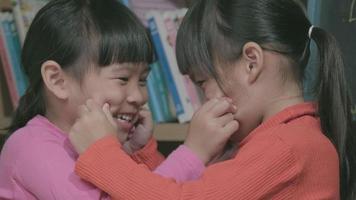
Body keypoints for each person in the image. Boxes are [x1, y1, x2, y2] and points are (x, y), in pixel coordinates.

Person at [68, 0, 356, 199]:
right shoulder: (285, 139)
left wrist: (101, 153)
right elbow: (189, 189)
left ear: (251, 63)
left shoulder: (286, 147)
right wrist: (145, 153)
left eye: (203, 83)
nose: (203, 102)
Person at [0, 0, 239, 199]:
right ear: (57, 80)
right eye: (123, 79)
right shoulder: (31, 147)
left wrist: (138, 152)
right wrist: (193, 154)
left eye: (143, 80)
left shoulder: (107, 145)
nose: (139, 96)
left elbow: (157, 192)